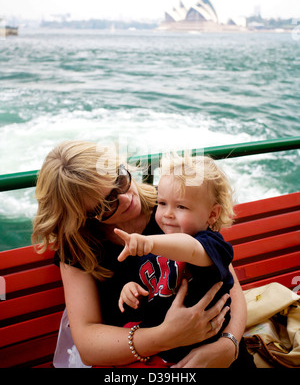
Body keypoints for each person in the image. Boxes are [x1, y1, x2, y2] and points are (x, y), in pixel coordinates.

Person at [31, 141, 248, 368]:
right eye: (106, 205)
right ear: (82, 216)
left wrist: (228, 345)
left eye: (120, 180)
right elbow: (87, 343)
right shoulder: (79, 247)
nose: (125, 199)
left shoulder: (172, 205)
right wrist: (166, 336)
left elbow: (230, 285)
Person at [116, 154, 235, 364]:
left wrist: (149, 243)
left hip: (206, 355)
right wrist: (133, 289)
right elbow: (155, 291)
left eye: (181, 207)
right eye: (162, 203)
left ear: (212, 215)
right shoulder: (157, 247)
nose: (168, 214)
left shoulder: (212, 245)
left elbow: (190, 250)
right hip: (163, 351)